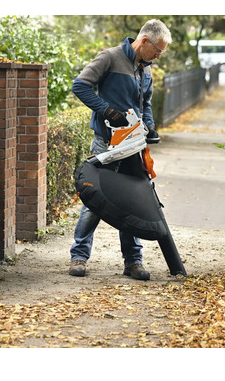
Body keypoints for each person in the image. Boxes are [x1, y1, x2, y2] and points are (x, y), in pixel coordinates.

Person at [68, 19, 172, 280]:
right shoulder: (110, 58)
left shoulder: (145, 69)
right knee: (95, 199)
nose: (158, 56)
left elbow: (145, 103)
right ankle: (78, 257)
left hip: (133, 144)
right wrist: (105, 110)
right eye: (157, 50)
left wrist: (150, 126)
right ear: (145, 40)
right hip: (106, 142)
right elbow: (79, 85)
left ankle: (133, 262)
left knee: (133, 200)